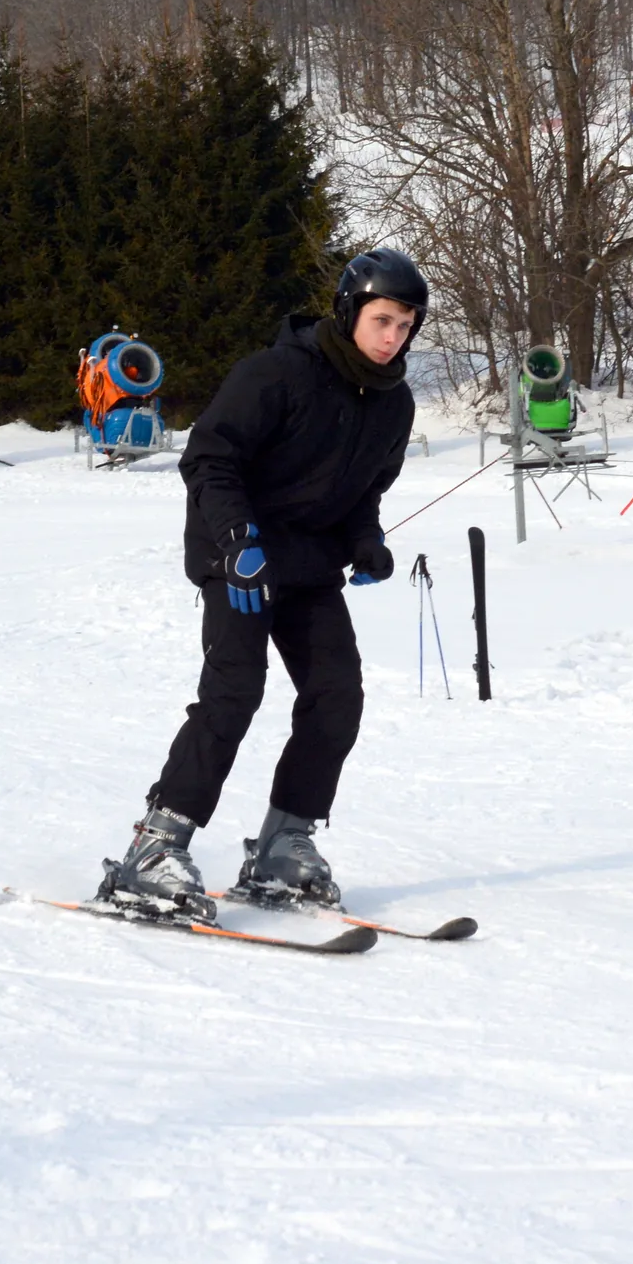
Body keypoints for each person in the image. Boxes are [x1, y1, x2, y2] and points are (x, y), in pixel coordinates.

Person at [97, 249, 427, 921]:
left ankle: (285, 841)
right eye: (383, 319)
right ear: (349, 310)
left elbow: (366, 490)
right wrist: (237, 540)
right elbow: (210, 459)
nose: (394, 335)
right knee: (235, 689)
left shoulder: (394, 404)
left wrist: (366, 540)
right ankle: (155, 846)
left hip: (307, 565)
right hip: (239, 558)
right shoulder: (275, 373)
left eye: (406, 324)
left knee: (338, 695)